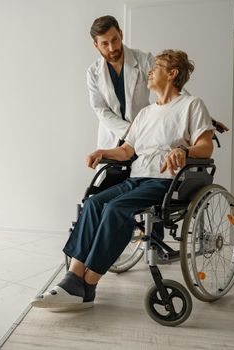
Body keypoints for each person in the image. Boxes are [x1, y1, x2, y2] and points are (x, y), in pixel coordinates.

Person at [31, 49, 215, 311]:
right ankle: (72, 278)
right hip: (137, 177)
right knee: (94, 203)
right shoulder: (146, 113)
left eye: (157, 67)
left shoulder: (191, 105)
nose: (149, 72)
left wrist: (183, 151)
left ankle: (88, 285)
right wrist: (103, 152)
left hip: (165, 182)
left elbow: (206, 147)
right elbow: (128, 151)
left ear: (172, 74)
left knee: (116, 209)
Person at [87, 15, 227, 241]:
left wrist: (205, 118)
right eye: (105, 43)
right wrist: (132, 132)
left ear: (121, 34)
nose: (112, 47)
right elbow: (101, 110)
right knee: (103, 195)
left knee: (152, 181)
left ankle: (153, 240)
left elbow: (174, 91)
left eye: (114, 40)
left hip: (150, 133)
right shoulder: (93, 73)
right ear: (96, 45)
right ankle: (114, 236)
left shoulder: (144, 60)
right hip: (121, 134)